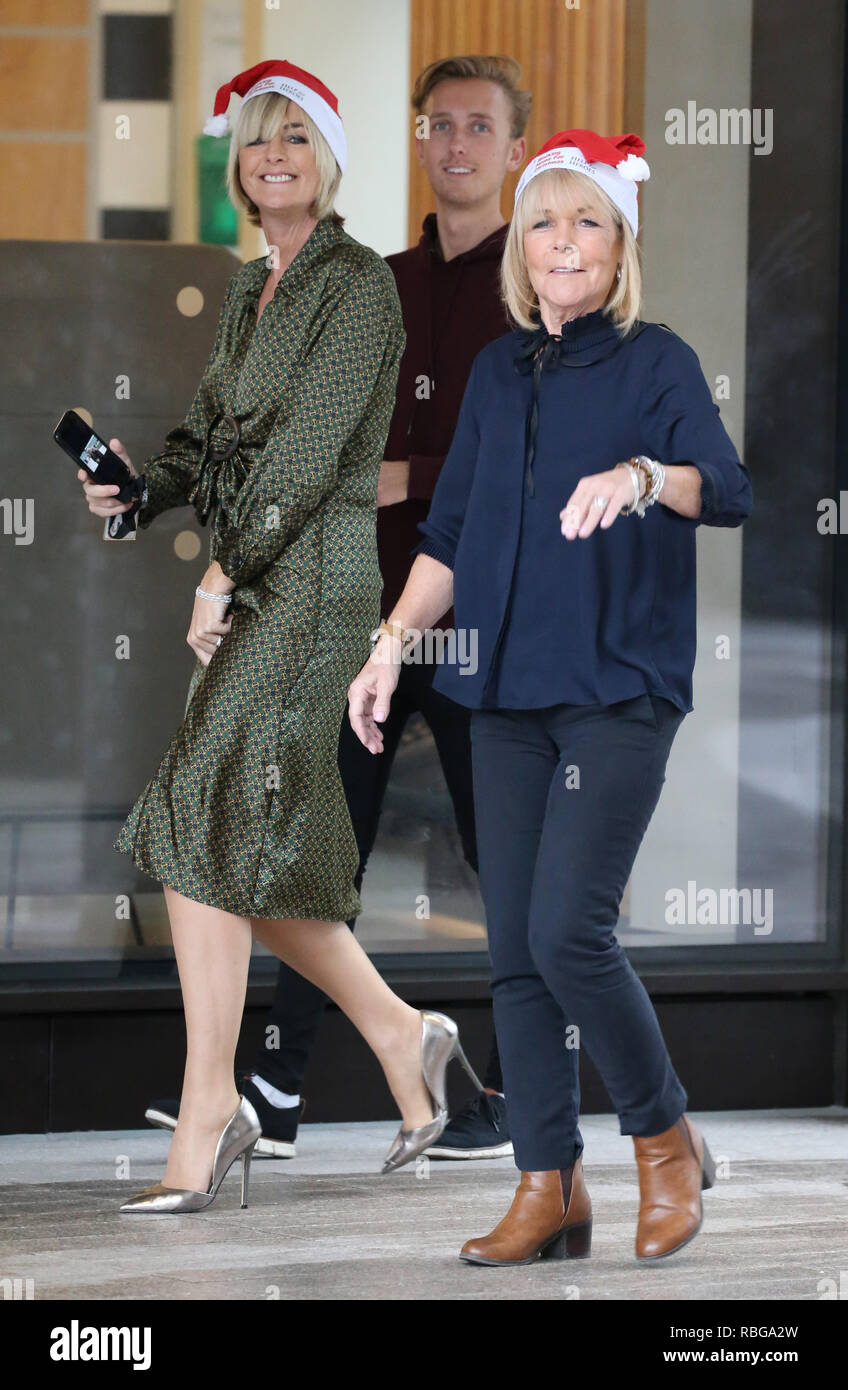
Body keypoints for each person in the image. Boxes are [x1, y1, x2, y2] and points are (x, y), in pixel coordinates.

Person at [78, 59, 479, 1214]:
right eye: (255, 142)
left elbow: (304, 460)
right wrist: (140, 490)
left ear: (327, 159)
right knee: (232, 845)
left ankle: (218, 1102)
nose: (271, 159)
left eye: (293, 139)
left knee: (203, 818)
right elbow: (208, 438)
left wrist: (217, 574)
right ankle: (400, 1041)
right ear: (239, 169)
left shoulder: (356, 286)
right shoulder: (259, 281)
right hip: (267, 585)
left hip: (310, 593)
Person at [348, 128, 753, 1264]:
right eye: (541, 222)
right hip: (502, 693)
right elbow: (449, 533)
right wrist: (388, 647)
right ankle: (548, 1183)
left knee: (570, 931)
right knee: (515, 949)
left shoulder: (657, 361)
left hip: (616, 687)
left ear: (618, 241)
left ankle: (664, 1139)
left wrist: (637, 479)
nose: (559, 241)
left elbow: (723, 488)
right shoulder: (497, 370)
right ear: (518, 251)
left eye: (584, 220)